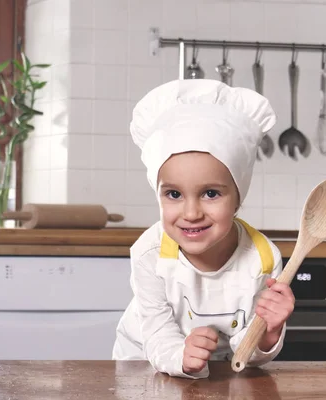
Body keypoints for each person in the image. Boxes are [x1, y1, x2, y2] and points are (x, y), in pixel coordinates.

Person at [112, 79, 295, 379]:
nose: (192, 213)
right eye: (173, 194)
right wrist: (180, 356)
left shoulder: (262, 258)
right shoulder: (149, 254)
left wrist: (267, 333)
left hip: (220, 374)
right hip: (142, 369)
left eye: (211, 193)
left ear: (238, 198)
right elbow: (157, 333)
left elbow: (245, 352)